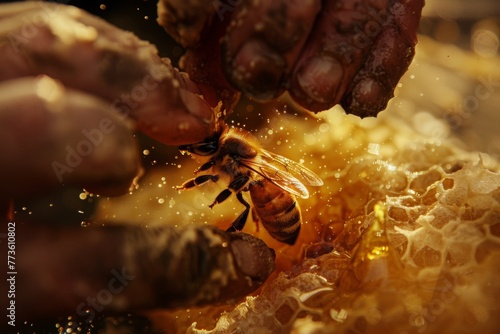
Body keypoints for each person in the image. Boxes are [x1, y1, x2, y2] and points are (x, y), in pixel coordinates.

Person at [0, 0, 423, 329]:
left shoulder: (233, 161)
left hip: (265, 196)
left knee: (254, 201)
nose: (199, 153)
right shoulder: (231, 154)